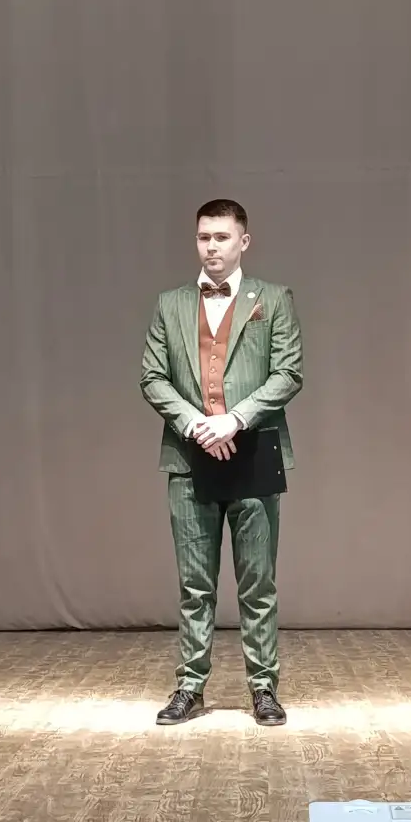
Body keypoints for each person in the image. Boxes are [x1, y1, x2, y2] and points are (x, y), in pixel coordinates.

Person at [139, 199, 304, 726]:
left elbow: (288, 373)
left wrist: (234, 420)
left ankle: (264, 687)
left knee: (258, 583)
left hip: (252, 452)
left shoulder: (272, 299)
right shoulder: (170, 304)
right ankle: (190, 686)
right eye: (203, 237)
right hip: (190, 457)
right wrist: (195, 423)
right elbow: (152, 377)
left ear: (243, 242)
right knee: (195, 585)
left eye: (222, 237)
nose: (211, 247)